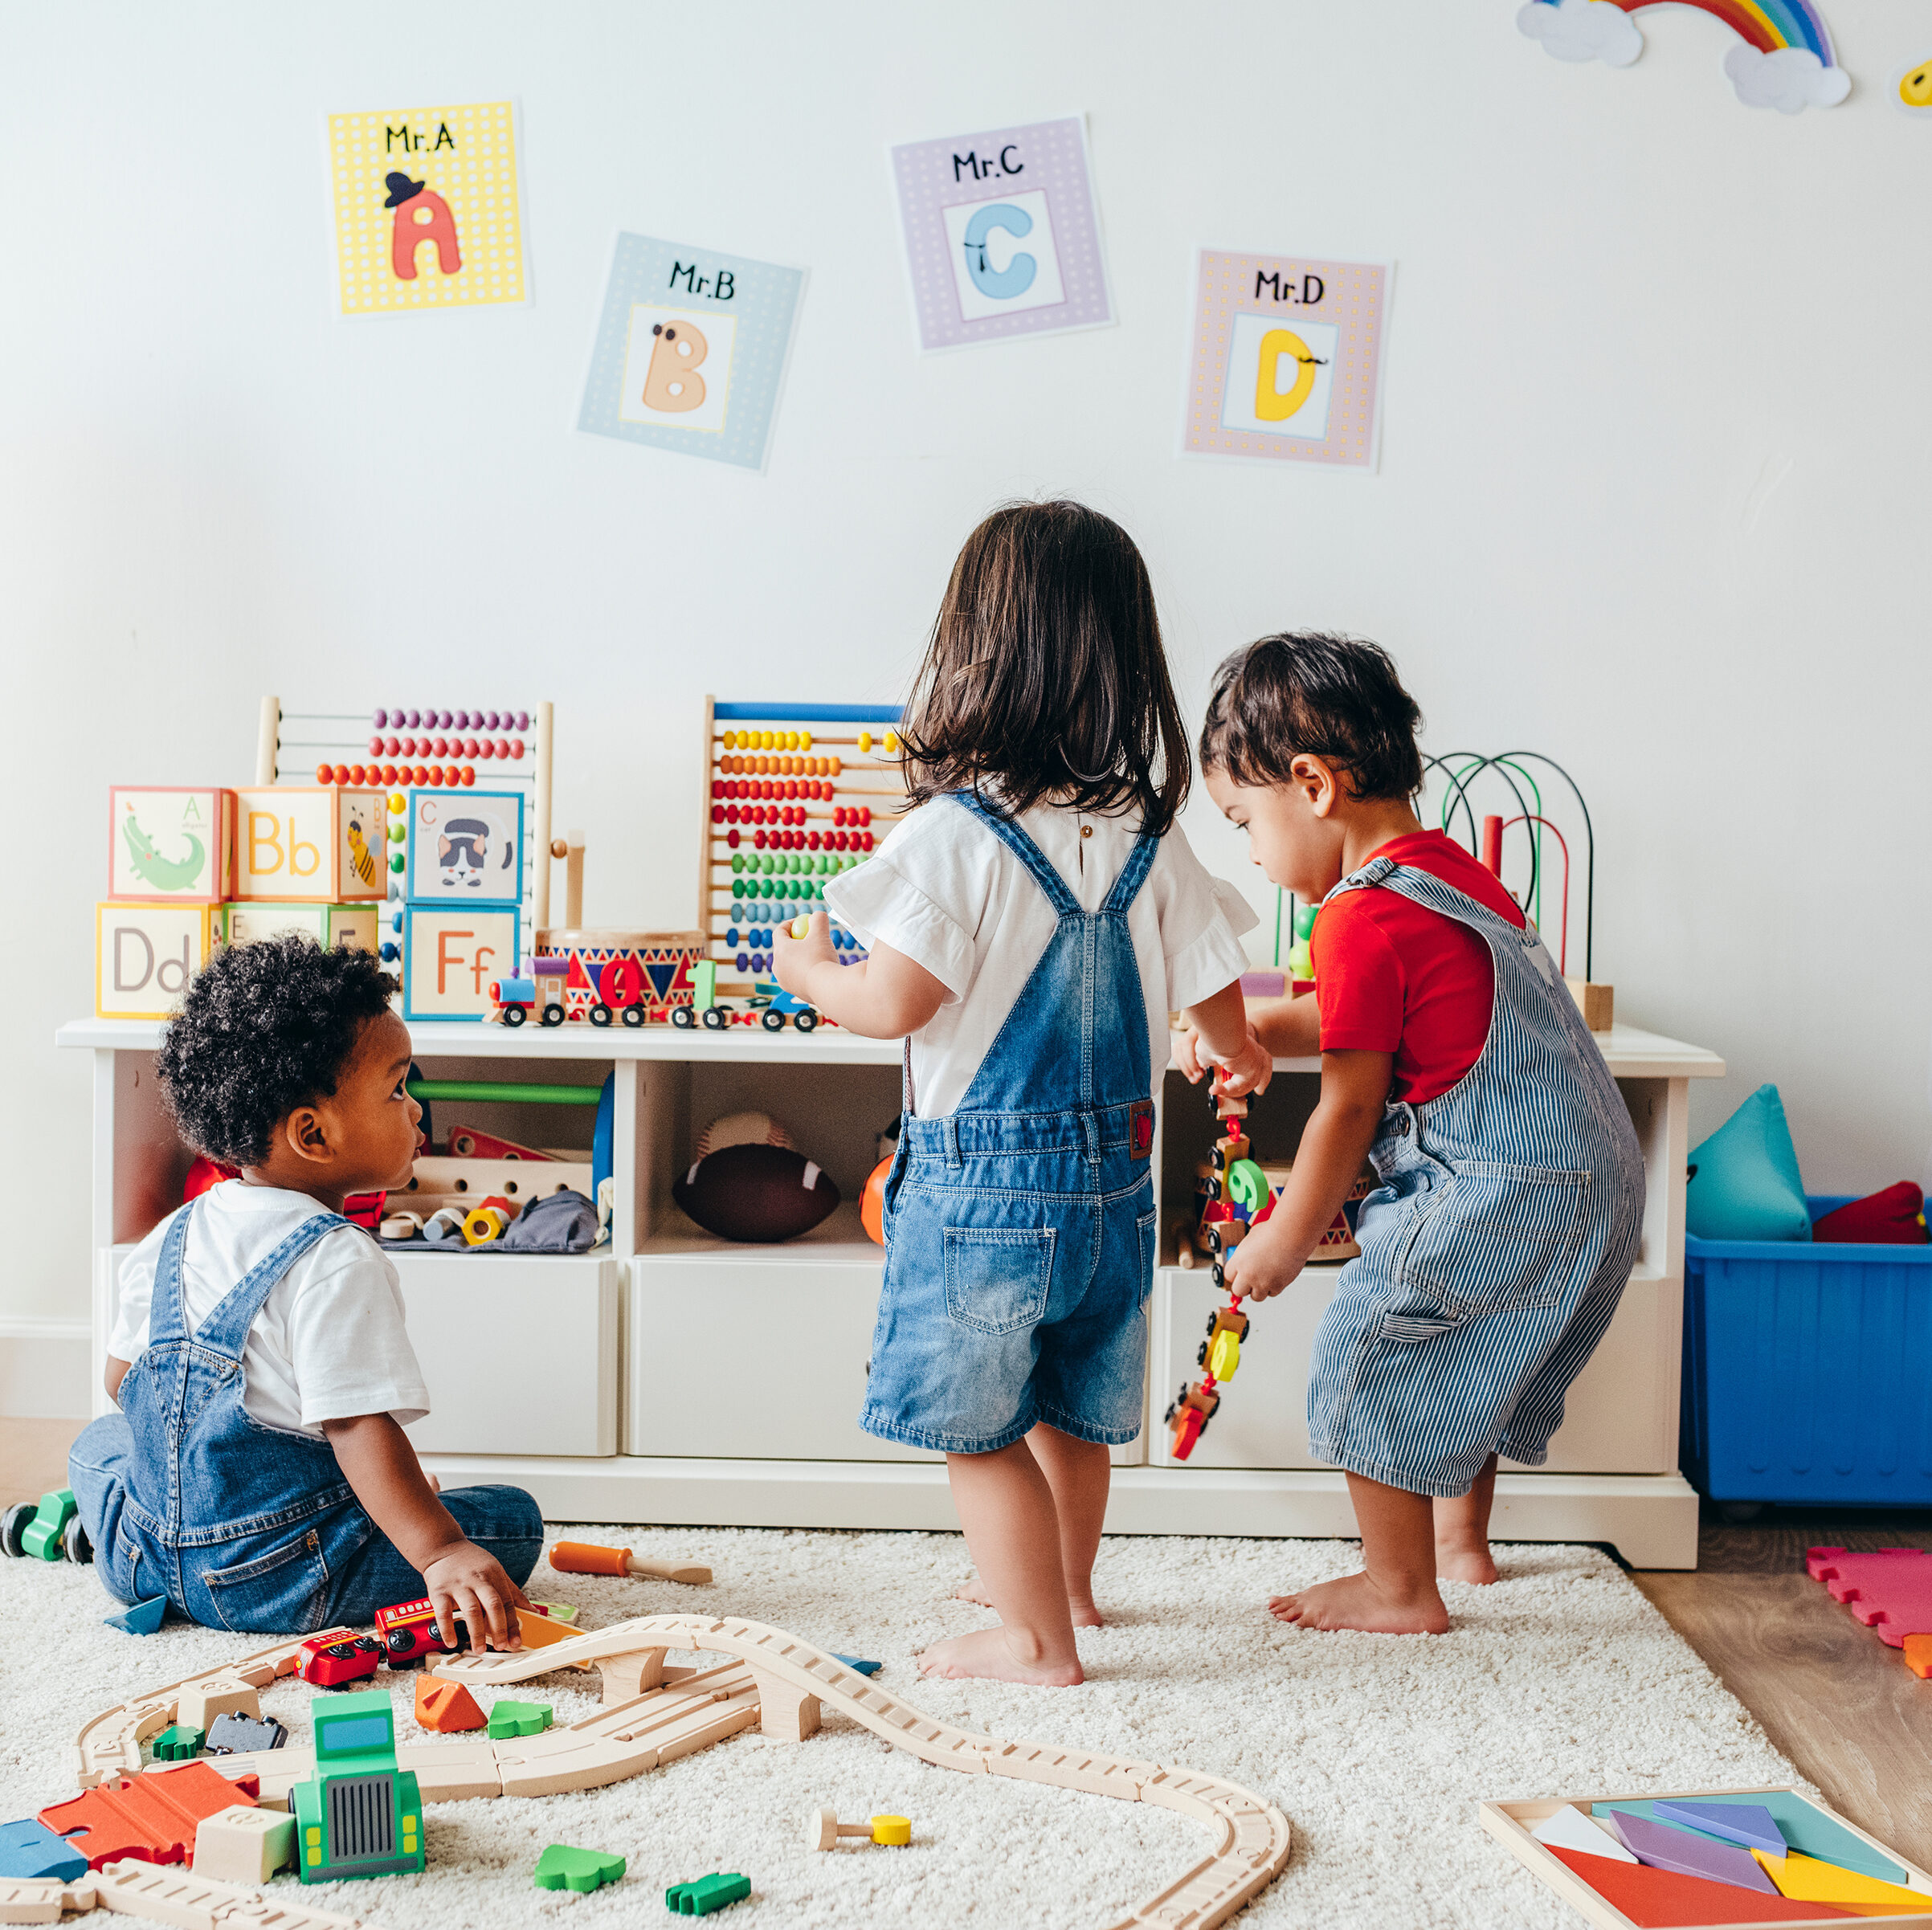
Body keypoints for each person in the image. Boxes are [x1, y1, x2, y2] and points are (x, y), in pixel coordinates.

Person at [775, 500, 1265, 1685]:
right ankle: (1071, 1590)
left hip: (985, 1192)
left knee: (980, 1427)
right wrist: (1225, 1052)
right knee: (1070, 1407)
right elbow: (1223, 1009)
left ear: (976, 652)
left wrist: (806, 972)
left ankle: (1032, 1638)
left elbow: (893, 1000)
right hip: (1117, 1189)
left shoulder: (956, 832)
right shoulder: (1151, 831)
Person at [1181, 632, 1644, 1634]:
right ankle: (1458, 1546)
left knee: (1374, 1346)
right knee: (1462, 1351)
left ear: (1309, 786)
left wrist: (1286, 1235)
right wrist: (1257, 1026)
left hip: (1500, 1180)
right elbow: (1373, 1014)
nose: (1253, 857)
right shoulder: (1449, 877)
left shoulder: (1350, 918)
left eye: (1243, 824)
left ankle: (1397, 1589)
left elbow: (1348, 1102)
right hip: (1588, 1174)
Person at [69, 934, 540, 1646]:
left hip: (147, 1557)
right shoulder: (335, 1258)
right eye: (396, 1087)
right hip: (281, 1576)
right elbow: (358, 1427)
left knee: (98, 1445)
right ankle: (415, 1540)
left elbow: (119, 1382)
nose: (416, 1109)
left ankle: (109, 1538)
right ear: (313, 1133)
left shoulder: (175, 1230)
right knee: (511, 1520)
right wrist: (440, 1550)